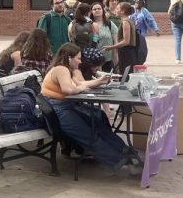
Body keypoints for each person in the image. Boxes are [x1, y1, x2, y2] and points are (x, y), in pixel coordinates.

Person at [40, 43, 141, 175]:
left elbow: (81, 84)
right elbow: (68, 89)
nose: (80, 61)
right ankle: (121, 161)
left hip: (65, 107)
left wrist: (100, 81)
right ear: (68, 57)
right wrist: (81, 88)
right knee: (89, 135)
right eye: (78, 58)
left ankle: (124, 150)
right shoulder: (61, 69)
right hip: (57, 112)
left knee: (99, 117)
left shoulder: (66, 69)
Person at [105, 2, 140, 77]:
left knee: (125, 75)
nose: (116, 10)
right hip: (128, 52)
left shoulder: (125, 22)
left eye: (117, 8)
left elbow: (126, 41)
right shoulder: (128, 21)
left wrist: (111, 47)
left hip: (126, 52)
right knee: (127, 74)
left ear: (122, 11)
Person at [90, 2, 116, 70]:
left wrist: (116, 57)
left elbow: (116, 42)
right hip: (93, 60)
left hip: (108, 60)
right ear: (91, 12)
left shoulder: (109, 24)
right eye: (94, 9)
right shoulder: (88, 24)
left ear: (102, 10)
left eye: (99, 8)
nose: (97, 10)